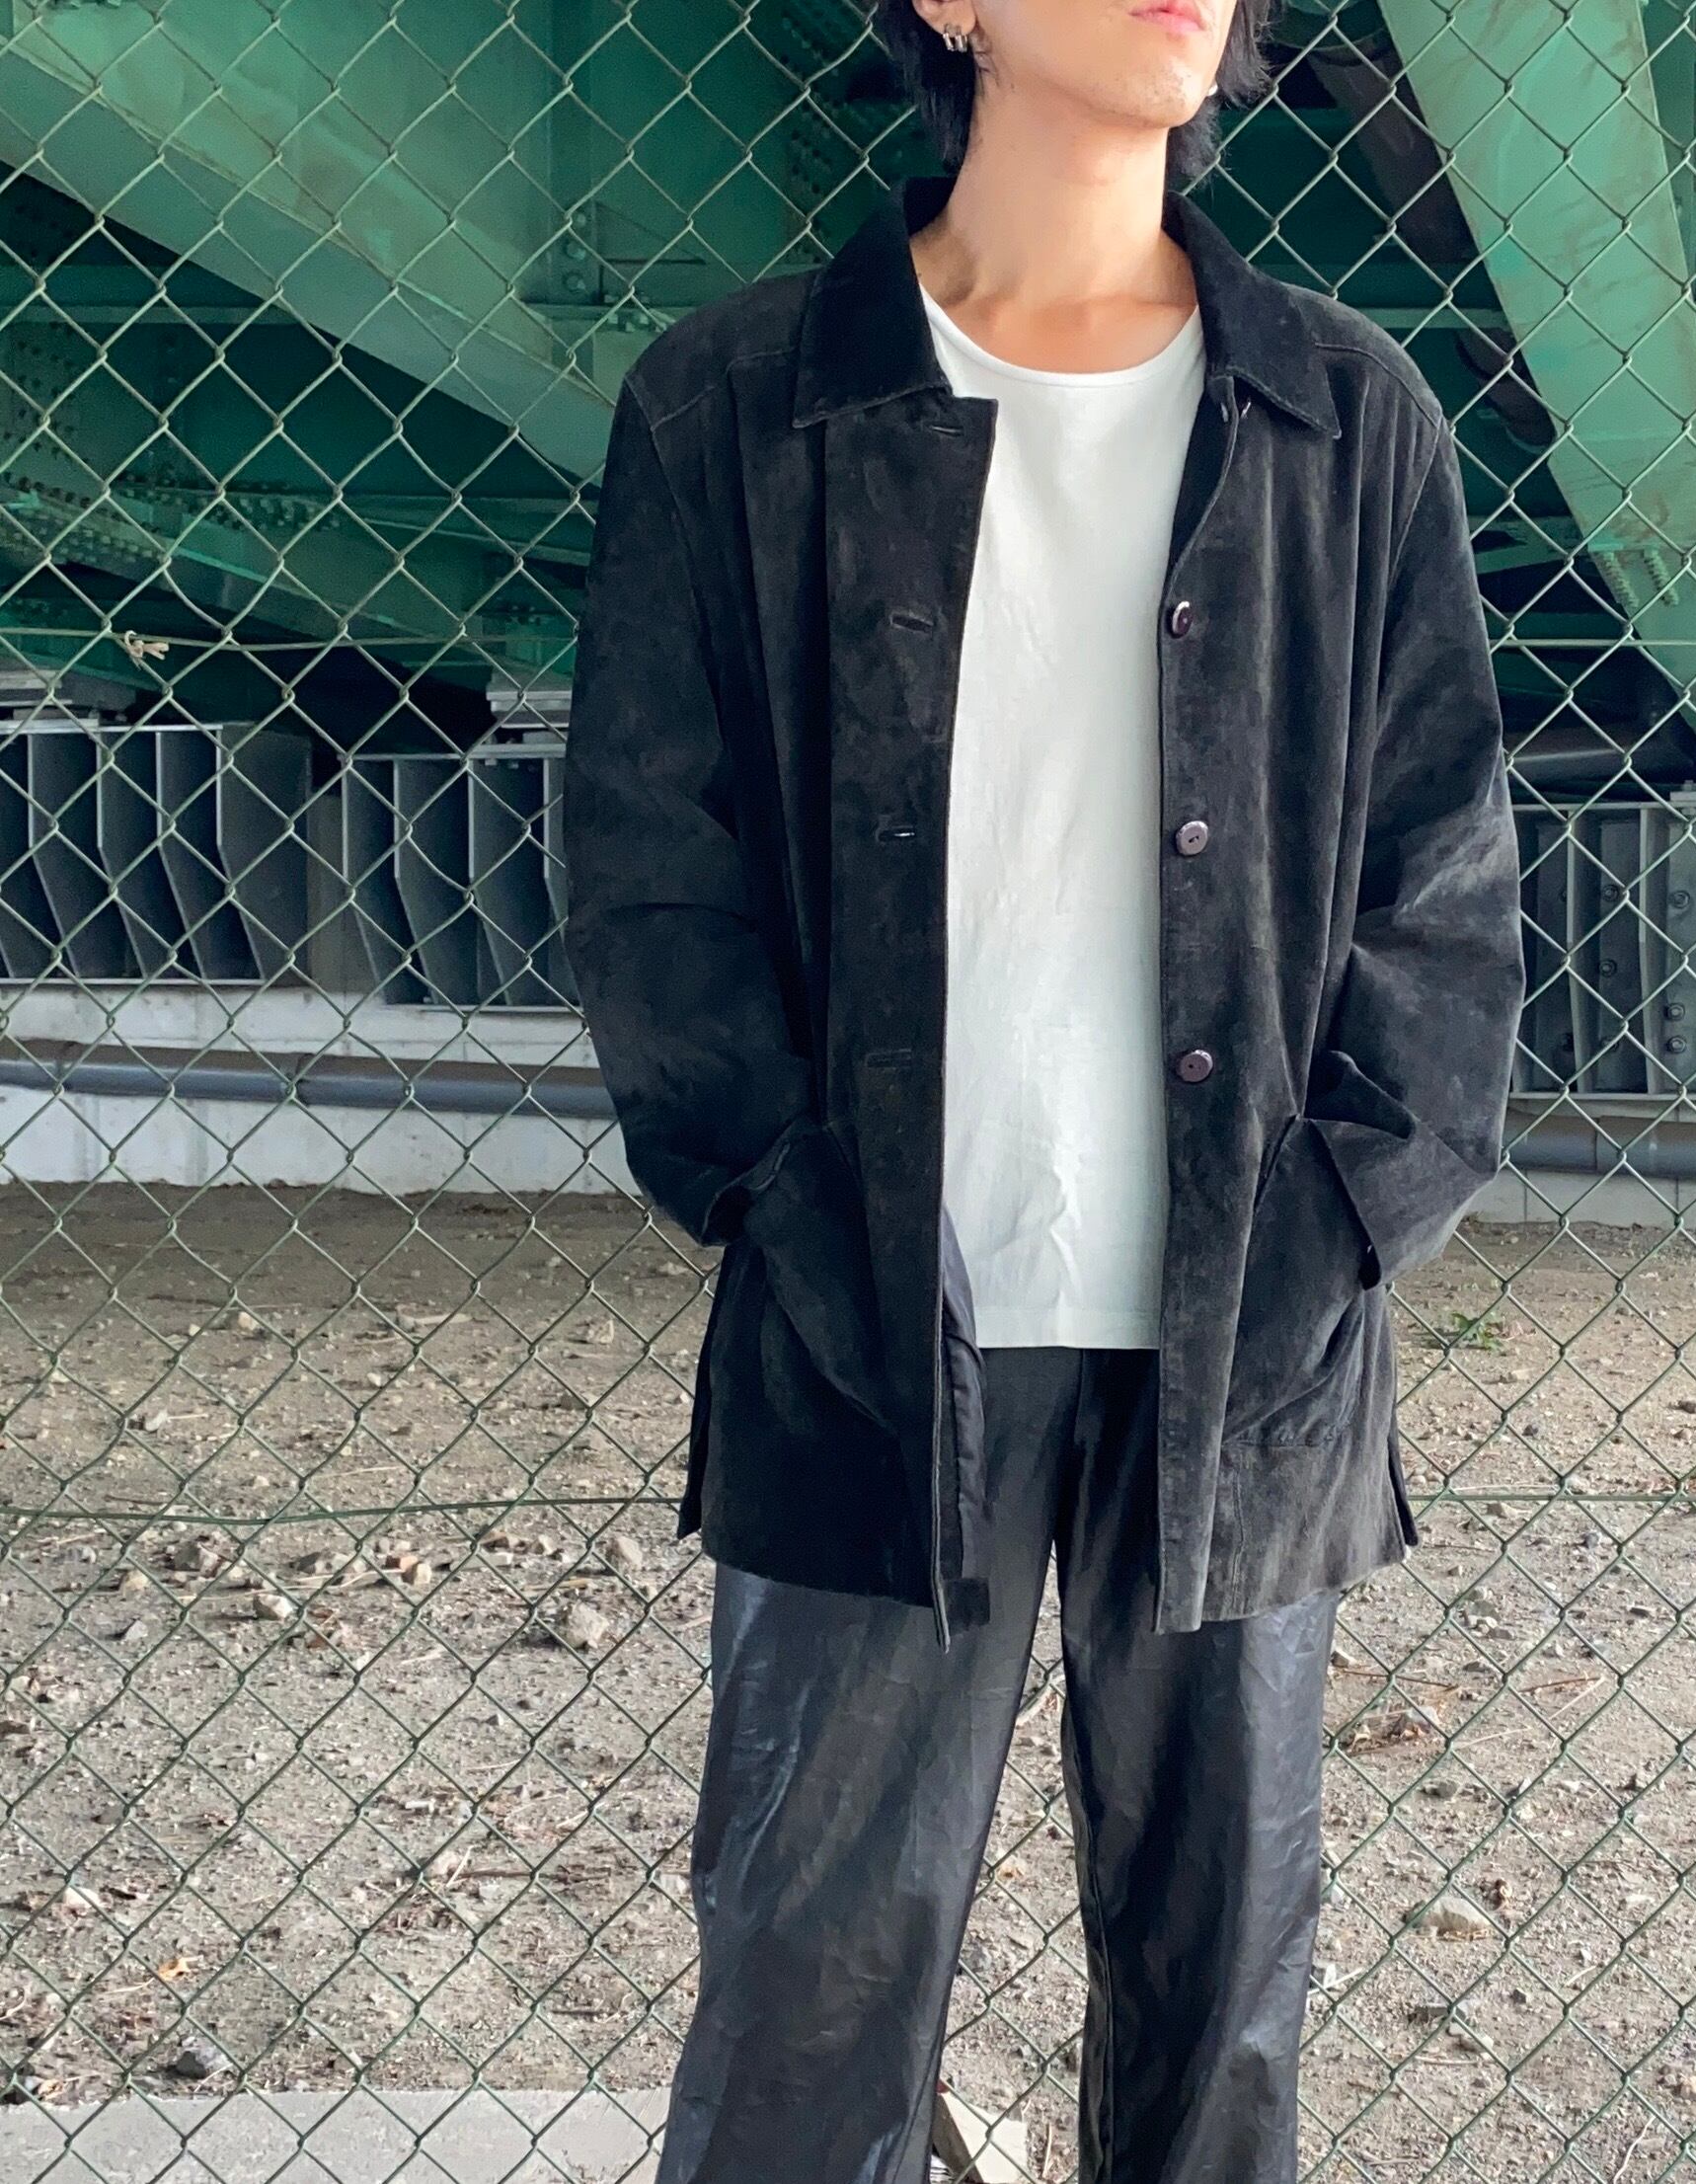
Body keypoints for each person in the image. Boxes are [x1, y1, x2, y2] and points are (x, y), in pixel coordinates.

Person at [561, 0, 1522, 2174]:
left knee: (1221, 1999)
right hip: (871, 1316)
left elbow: (1445, 881)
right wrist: (781, 1194)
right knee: (807, 1981)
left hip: (1244, 1329)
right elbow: (648, 861)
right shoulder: (737, 401)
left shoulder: (1342, 414)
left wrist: (1343, 1216)